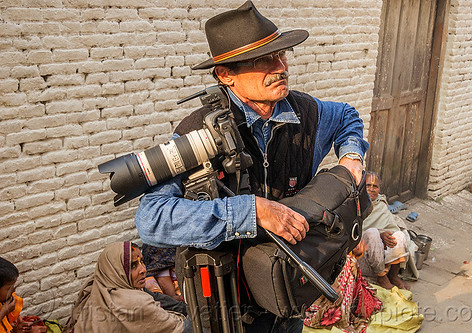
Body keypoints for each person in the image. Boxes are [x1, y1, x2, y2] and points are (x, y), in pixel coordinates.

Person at [135, 1, 369, 331]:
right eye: (263, 60)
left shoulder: (307, 113)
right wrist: (250, 212)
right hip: (224, 311)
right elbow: (151, 219)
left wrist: (351, 157)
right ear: (226, 75)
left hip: (288, 299)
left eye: (282, 54)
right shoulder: (196, 132)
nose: (280, 66)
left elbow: (347, 115)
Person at [63, 242, 189, 333]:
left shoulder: (99, 287)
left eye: (142, 262)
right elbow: (180, 329)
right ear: (116, 271)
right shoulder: (133, 301)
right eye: (133, 266)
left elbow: (164, 301)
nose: (143, 270)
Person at [357, 172, 418, 291]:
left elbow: (392, 227)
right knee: (373, 233)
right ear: (362, 187)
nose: (371, 189)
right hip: (363, 259)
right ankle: (381, 277)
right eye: (368, 185)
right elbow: (355, 233)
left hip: (385, 261)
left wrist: (387, 236)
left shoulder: (381, 204)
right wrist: (380, 234)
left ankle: (393, 276)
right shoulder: (356, 204)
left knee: (399, 235)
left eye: (375, 186)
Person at [0, 257, 31, 333]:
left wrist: (16, 330)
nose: (14, 290)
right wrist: (2, 313)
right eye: (9, 288)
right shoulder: (4, 309)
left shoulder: (5, 302)